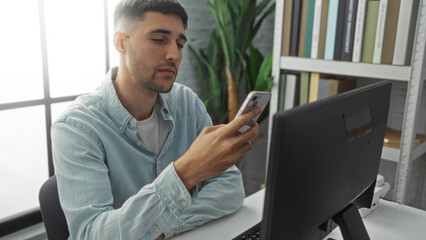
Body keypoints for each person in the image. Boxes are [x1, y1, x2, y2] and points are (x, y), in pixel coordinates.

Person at [51, 0, 261, 239]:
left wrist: (160, 228)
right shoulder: (77, 128)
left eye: (180, 44)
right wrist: (185, 173)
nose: (174, 54)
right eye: (159, 40)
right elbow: (91, 234)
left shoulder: (187, 103)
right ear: (121, 42)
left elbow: (231, 188)